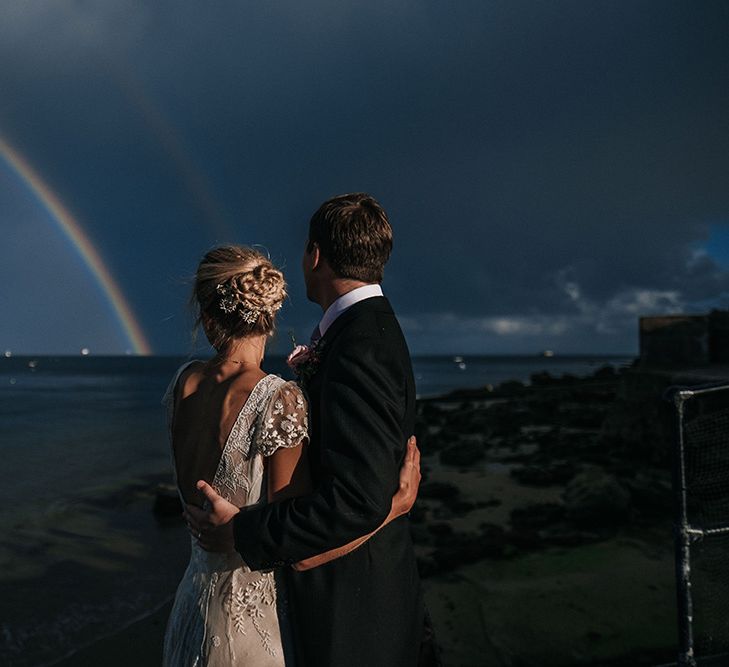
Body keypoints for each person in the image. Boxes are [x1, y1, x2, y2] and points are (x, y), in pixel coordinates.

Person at [187, 194, 438, 667]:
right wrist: (396, 503)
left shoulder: (362, 345)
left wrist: (242, 531)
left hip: (352, 610)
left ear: (315, 255)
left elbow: (356, 500)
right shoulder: (363, 333)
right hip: (344, 592)